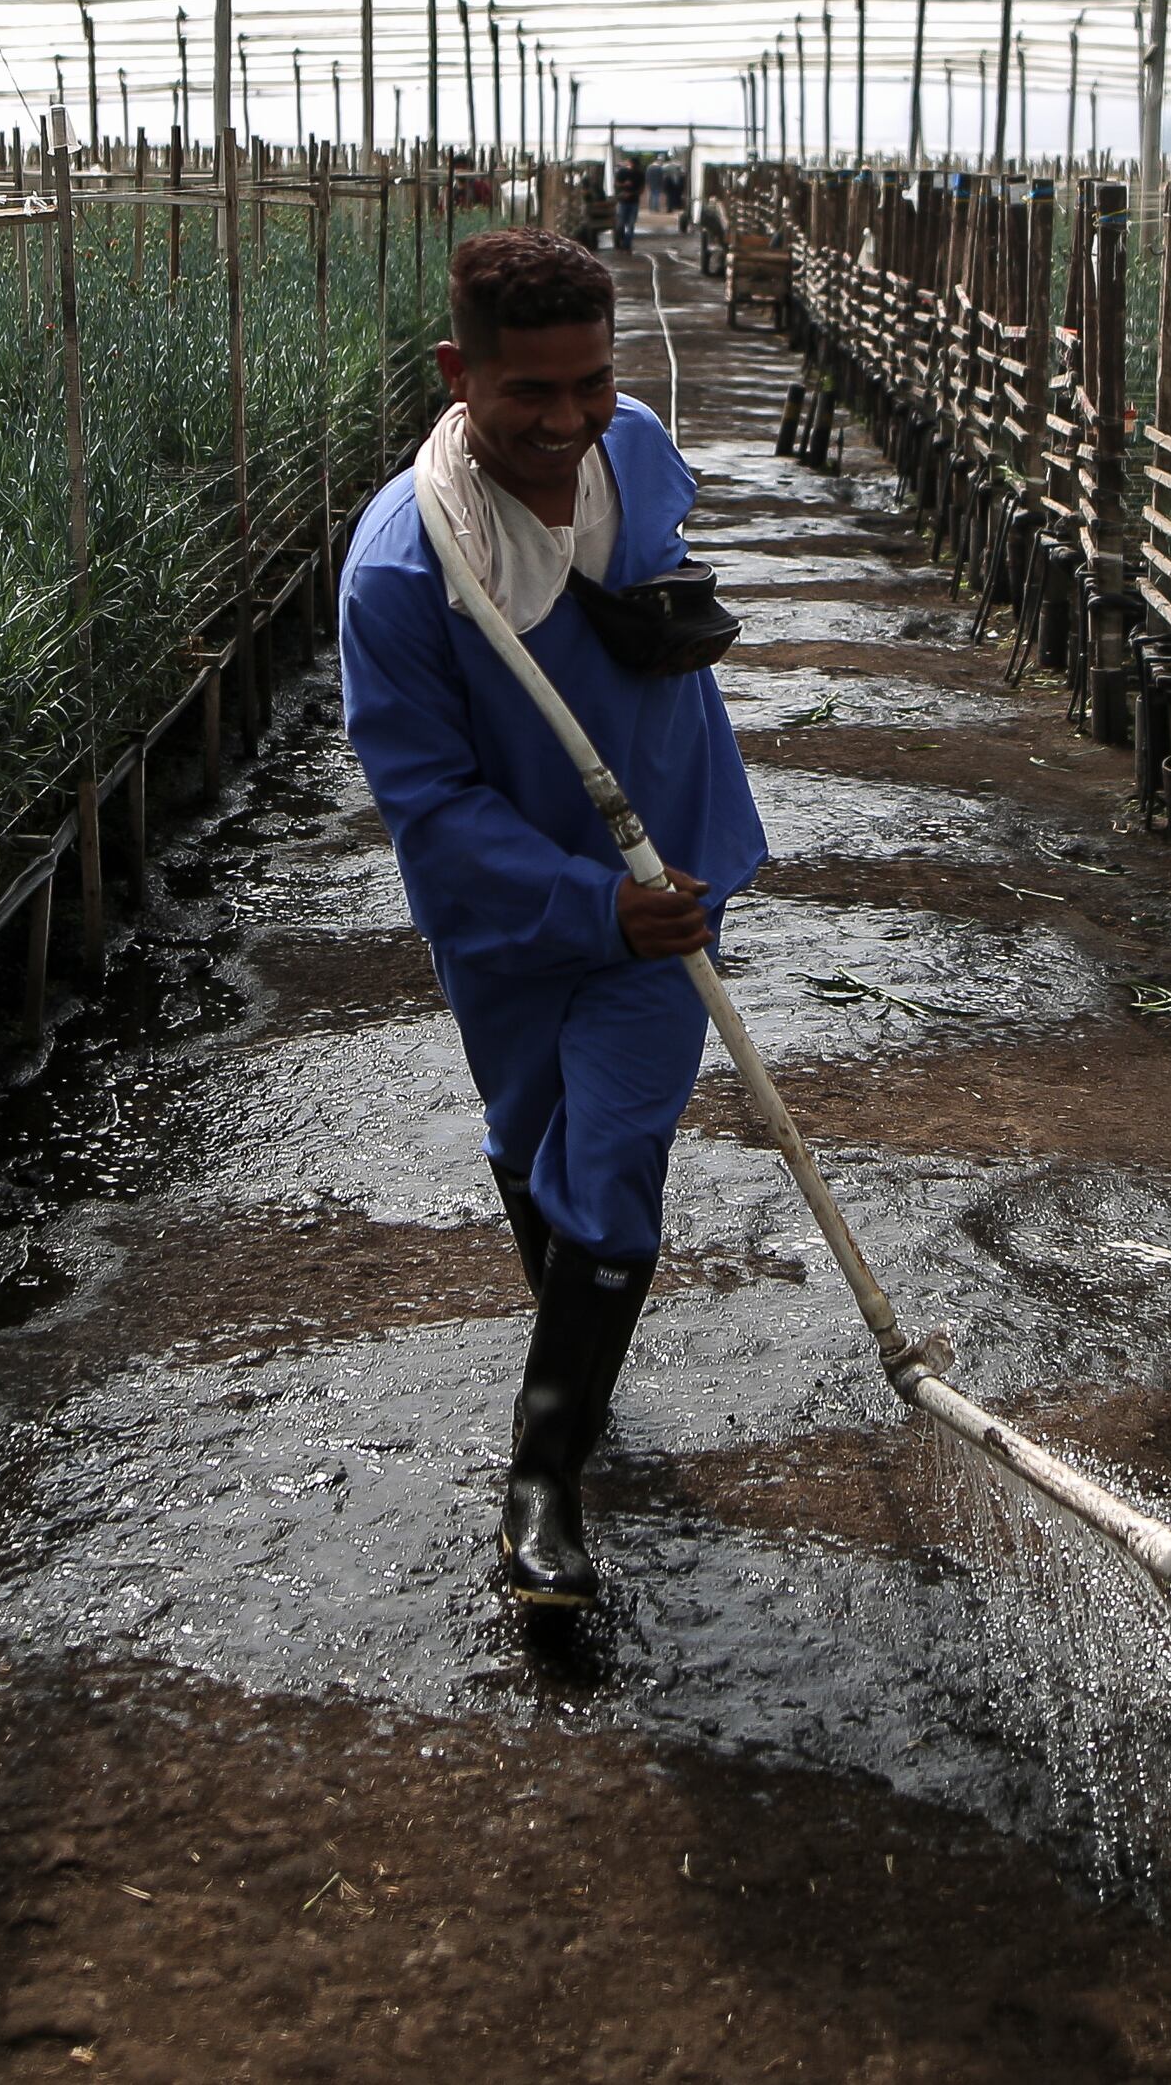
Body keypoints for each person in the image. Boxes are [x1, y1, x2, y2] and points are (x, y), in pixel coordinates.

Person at [336, 227, 764, 1607]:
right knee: (532, 1138)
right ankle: (575, 1355)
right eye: (533, 395)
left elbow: (666, 544)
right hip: (514, 912)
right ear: (461, 374)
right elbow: (433, 801)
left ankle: (541, 1483)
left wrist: (665, 625)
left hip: (668, 889)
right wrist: (588, 900)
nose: (570, 421)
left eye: (592, 384)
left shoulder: (630, 449)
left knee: (615, 1156)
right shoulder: (405, 573)